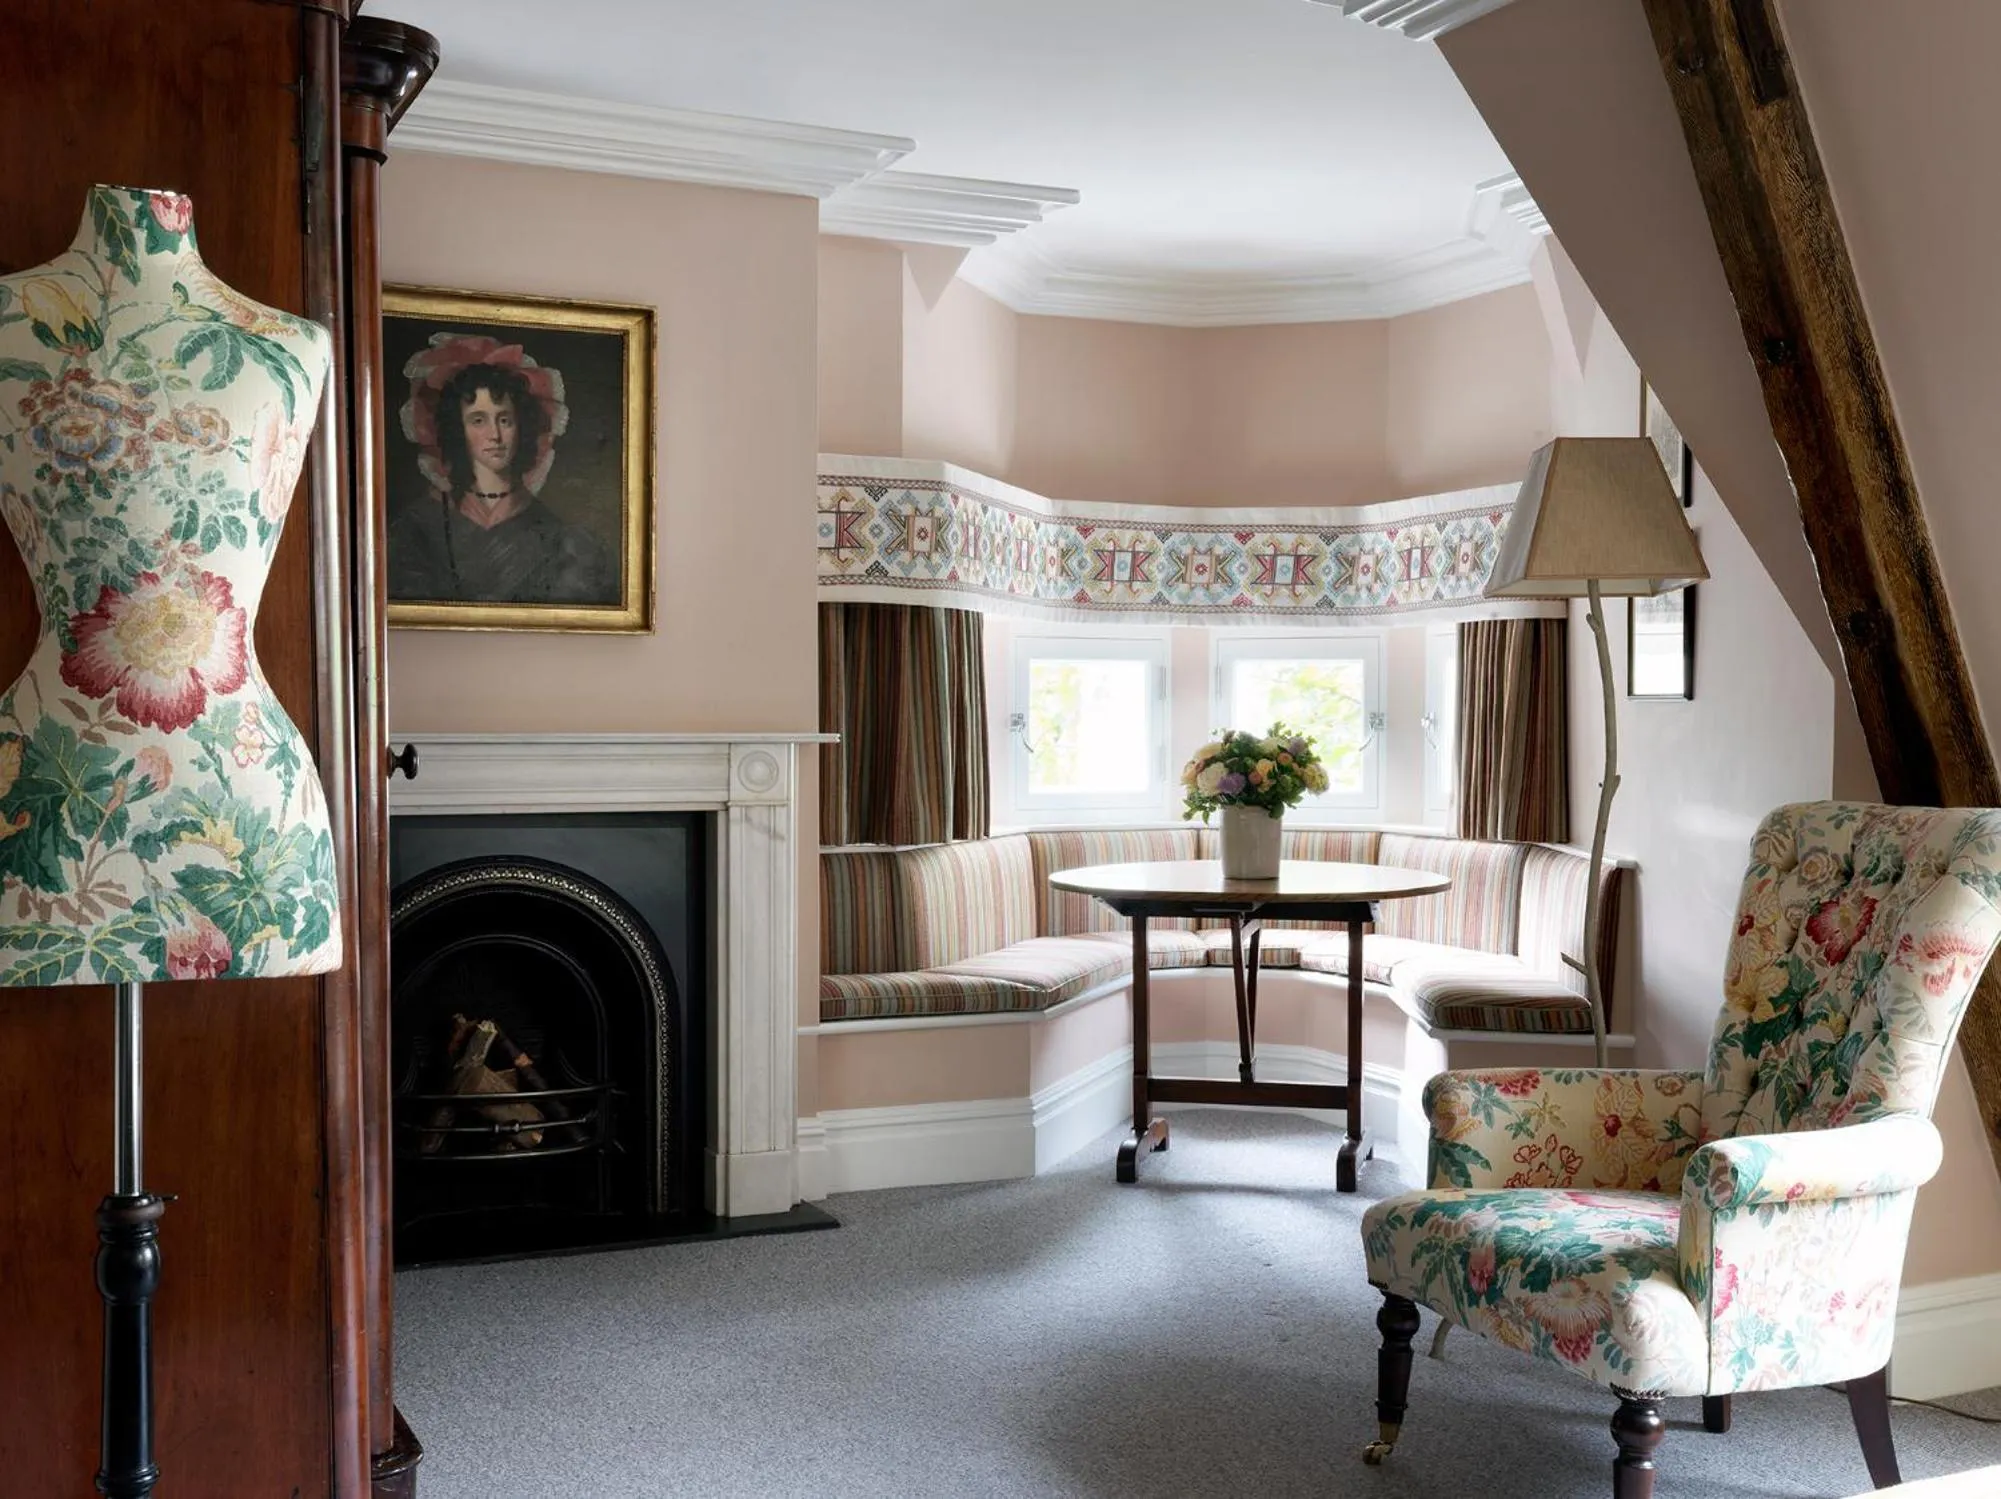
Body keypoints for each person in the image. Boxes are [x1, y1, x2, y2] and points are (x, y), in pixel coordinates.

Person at [388, 359, 616, 606]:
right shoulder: (416, 530)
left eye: (505, 420)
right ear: (457, 428)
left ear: (521, 427)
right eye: (478, 420)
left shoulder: (561, 539)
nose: (495, 435)